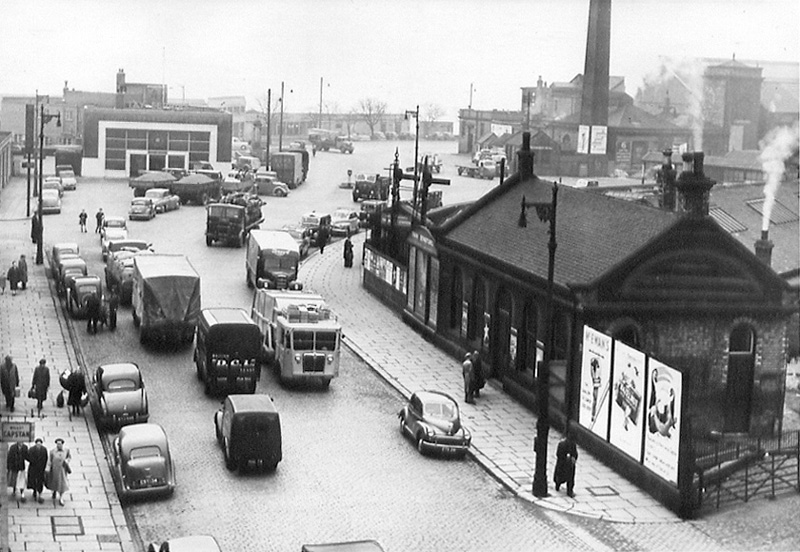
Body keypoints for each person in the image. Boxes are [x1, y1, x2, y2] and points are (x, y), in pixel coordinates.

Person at [554, 430, 579, 497]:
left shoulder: (565, 444)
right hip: (566, 464)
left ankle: (559, 485)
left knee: (562, 476)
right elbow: (575, 454)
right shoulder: (569, 444)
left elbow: (558, 454)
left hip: (564, 464)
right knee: (568, 477)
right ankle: (568, 490)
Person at [47, 438, 71, 506]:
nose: (59, 445)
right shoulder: (52, 451)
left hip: (62, 470)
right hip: (54, 469)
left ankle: (61, 497)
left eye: (60, 444)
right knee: (54, 482)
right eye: (57, 444)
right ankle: (54, 491)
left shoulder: (66, 450)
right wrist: (48, 468)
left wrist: (67, 461)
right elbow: (49, 460)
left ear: (62, 444)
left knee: (62, 484)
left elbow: (69, 457)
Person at [27, 437, 48, 503]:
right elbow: (28, 457)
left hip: (41, 469)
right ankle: (34, 490)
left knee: (40, 481)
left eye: (40, 444)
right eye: (37, 444)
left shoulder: (44, 450)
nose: (38, 445)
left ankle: (39, 492)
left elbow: (45, 458)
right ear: (35, 444)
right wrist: (33, 461)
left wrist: (44, 467)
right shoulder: (31, 449)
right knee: (33, 480)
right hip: (33, 467)